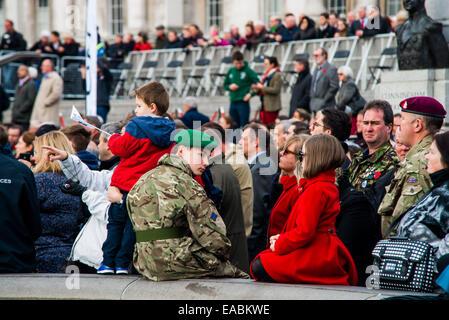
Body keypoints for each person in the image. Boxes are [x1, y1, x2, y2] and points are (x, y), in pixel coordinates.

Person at [127, 129, 248, 281]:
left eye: (208, 156)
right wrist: (225, 253)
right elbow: (212, 235)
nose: (206, 162)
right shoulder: (188, 184)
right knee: (240, 277)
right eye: (200, 154)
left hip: (143, 262)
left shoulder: (144, 179)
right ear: (181, 152)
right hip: (176, 260)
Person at [250, 134, 358, 285]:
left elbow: (304, 231)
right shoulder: (322, 185)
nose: (300, 160)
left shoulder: (316, 188)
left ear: (315, 158)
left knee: (260, 265)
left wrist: (281, 242)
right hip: (321, 247)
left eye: (302, 155)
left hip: (316, 251)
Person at [98, 82, 175, 274]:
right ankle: (123, 264)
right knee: (133, 228)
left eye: (139, 106)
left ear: (152, 107)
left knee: (116, 224)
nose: (135, 109)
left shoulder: (136, 125)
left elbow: (120, 148)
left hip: (125, 183)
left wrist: (114, 137)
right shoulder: (169, 128)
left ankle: (108, 262)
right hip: (147, 186)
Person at [43, 121, 123, 273]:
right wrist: (66, 158)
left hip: (104, 260)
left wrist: (84, 193)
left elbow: (112, 214)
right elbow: (92, 180)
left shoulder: (140, 171)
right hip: (92, 256)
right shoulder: (122, 168)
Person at [378, 96, 446, 237]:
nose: (399, 126)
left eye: (402, 119)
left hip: (405, 252)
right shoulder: (428, 154)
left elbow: (404, 222)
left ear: (417, 125)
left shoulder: (419, 162)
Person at [201, 123, 250, 274]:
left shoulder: (215, 172)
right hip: (232, 250)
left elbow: (213, 216)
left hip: (228, 255)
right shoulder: (221, 167)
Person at [33, 131, 83, 273]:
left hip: (42, 253)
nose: (33, 157)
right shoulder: (77, 179)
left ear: (46, 155)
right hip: (71, 253)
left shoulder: (42, 180)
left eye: (36, 152)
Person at [395, 131, 449, 259]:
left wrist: (432, 266)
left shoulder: (445, 196)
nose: (427, 157)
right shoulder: (437, 189)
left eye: (432, 152)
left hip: (431, 275)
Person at [0, 131, 41, 273]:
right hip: (16, 257)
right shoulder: (20, 170)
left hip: (15, 257)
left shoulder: (20, 170)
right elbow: (34, 222)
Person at [239, 123, 277, 262]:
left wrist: (249, 244)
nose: (239, 142)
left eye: (243, 139)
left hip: (255, 245)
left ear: (256, 141)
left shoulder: (261, 168)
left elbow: (257, 211)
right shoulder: (259, 164)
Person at [347, 100, 399, 192]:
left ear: (389, 128)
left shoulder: (393, 162)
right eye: (366, 123)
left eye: (375, 123)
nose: (369, 128)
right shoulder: (358, 160)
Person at [268, 135, 307, 239]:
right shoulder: (288, 186)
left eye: (286, 152)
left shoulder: (299, 190)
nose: (281, 153)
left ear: (301, 158)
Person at [223, 51, 260, 128]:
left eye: (240, 63)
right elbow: (225, 85)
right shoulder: (231, 70)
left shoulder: (248, 71)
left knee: (244, 125)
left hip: (243, 102)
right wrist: (230, 87)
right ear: (233, 62)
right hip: (233, 101)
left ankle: (245, 139)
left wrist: (251, 94)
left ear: (243, 61)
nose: (238, 65)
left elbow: (259, 84)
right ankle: (234, 140)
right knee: (233, 126)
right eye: (236, 63)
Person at [29, 59, 63, 131]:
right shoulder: (45, 77)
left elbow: (56, 93)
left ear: (49, 66)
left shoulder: (56, 78)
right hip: (40, 113)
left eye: (43, 66)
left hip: (48, 114)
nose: (41, 67)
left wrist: (45, 102)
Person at [251, 56, 282, 126]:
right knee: (264, 125)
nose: (264, 66)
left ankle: (270, 137)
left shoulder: (277, 75)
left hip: (272, 106)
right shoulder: (267, 75)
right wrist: (257, 89)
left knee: (271, 126)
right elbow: (264, 89)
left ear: (272, 64)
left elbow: (276, 90)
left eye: (266, 64)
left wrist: (262, 87)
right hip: (264, 105)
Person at [335, 65, 366, 133]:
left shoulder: (350, 84)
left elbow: (346, 98)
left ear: (346, 74)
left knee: (353, 128)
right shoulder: (344, 83)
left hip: (353, 111)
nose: (338, 76)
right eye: (338, 74)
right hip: (348, 110)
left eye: (341, 74)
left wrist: (338, 106)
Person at [309, 47, 339, 113]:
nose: (315, 58)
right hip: (314, 105)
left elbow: (334, 86)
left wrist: (325, 100)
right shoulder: (316, 69)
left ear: (324, 56)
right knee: (315, 123)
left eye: (317, 55)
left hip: (326, 106)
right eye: (314, 56)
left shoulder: (331, 69)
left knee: (323, 123)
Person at [12, 65, 37, 131]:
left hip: (24, 118)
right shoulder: (19, 83)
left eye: (21, 70)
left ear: (27, 72)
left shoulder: (31, 84)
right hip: (17, 117)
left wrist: (20, 110)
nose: (18, 72)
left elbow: (30, 100)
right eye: (18, 70)